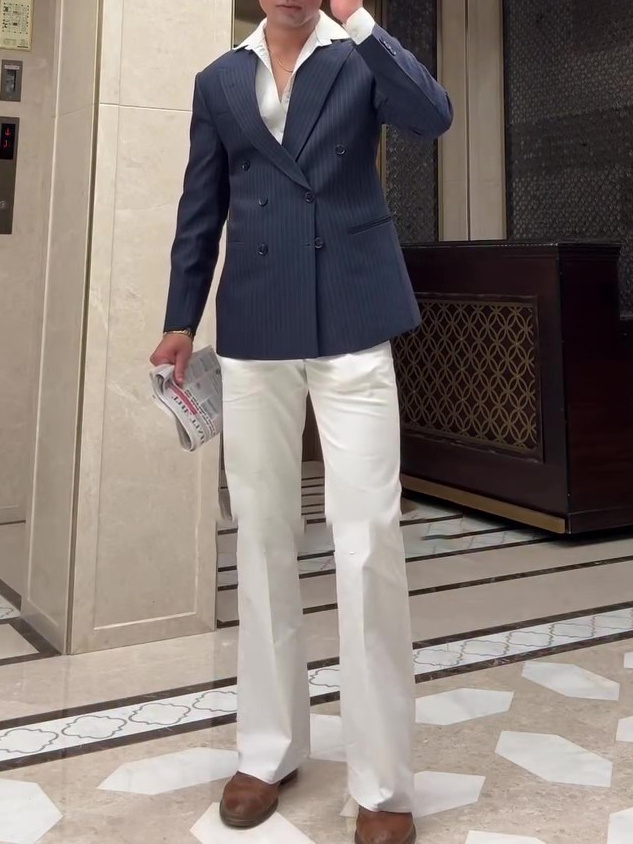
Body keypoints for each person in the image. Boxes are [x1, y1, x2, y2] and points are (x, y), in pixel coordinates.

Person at [150, 1, 452, 841]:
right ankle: (268, 747)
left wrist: (356, 16)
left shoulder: (356, 55)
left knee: (368, 540)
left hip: (354, 318)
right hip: (255, 324)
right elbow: (201, 206)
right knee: (260, 535)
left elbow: (431, 116)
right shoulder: (218, 79)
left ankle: (382, 782)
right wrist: (180, 319)